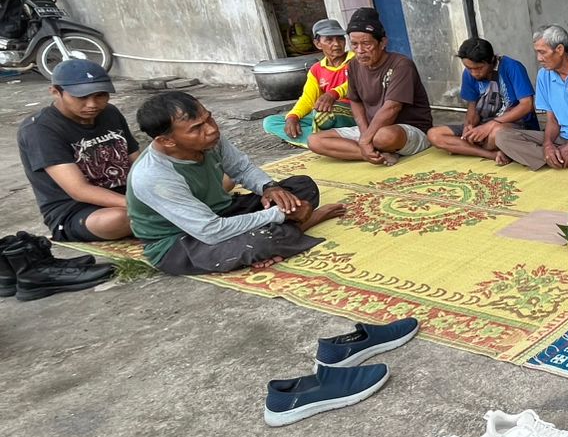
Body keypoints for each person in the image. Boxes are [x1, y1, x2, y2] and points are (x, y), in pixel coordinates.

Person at [127, 91, 344, 275]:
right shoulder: (152, 175)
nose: (211, 129)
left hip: (223, 211)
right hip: (181, 241)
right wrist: (279, 214)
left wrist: (270, 188)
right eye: (196, 128)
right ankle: (302, 224)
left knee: (302, 186)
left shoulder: (210, 140)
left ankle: (284, 234)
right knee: (262, 241)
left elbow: (242, 169)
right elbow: (210, 231)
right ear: (166, 140)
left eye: (209, 118)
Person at [17, 59, 138, 242]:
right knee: (120, 219)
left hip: (125, 197)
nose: (92, 104)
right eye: (81, 97)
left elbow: (136, 160)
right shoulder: (39, 129)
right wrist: (141, 206)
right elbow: (79, 190)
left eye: (100, 95)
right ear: (55, 92)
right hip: (77, 211)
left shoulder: (110, 113)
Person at [306, 8, 434, 165]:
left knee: (383, 137)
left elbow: (392, 107)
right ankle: (376, 154)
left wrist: (366, 139)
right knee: (315, 141)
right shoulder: (353, 65)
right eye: (354, 44)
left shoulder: (401, 65)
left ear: (382, 43)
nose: (360, 51)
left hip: (407, 130)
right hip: (372, 129)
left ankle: (371, 148)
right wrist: (364, 133)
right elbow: (355, 101)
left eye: (366, 44)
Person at [496, 25, 568, 171]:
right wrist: (547, 145)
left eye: (542, 52)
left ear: (559, 49)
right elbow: (552, 120)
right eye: (537, 52)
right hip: (561, 138)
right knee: (502, 137)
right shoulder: (543, 76)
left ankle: (554, 158)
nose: (539, 58)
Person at [426, 37, 538, 161]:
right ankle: (490, 154)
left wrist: (492, 124)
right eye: (469, 68)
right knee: (434, 134)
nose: (474, 73)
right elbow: (472, 106)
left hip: (515, 125)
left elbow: (527, 105)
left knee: (497, 133)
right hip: (483, 125)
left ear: (491, 60)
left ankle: (464, 148)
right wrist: (469, 125)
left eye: (479, 68)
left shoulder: (512, 67)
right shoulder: (468, 74)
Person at [263, 18, 356, 147]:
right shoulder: (316, 69)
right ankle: (322, 141)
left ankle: (316, 141)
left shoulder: (356, 60)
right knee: (270, 122)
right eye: (329, 40)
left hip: (351, 112)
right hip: (323, 115)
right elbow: (308, 99)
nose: (336, 44)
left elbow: (356, 84)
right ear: (318, 44)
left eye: (340, 39)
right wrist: (293, 116)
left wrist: (333, 93)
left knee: (324, 115)